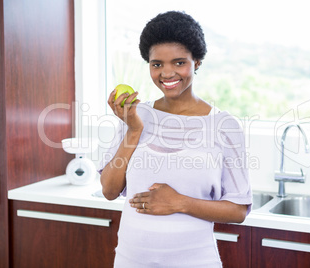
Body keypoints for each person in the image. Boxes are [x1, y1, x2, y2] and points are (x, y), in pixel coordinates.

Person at [99, 11, 252, 267]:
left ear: (197, 62)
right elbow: (109, 190)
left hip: (194, 260)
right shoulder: (136, 114)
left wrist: (179, 202)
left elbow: (238, 211)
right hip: (131, 259)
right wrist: (134, 130)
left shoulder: (224, 125)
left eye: (179, 62)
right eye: (157, 64)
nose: (167, 73)